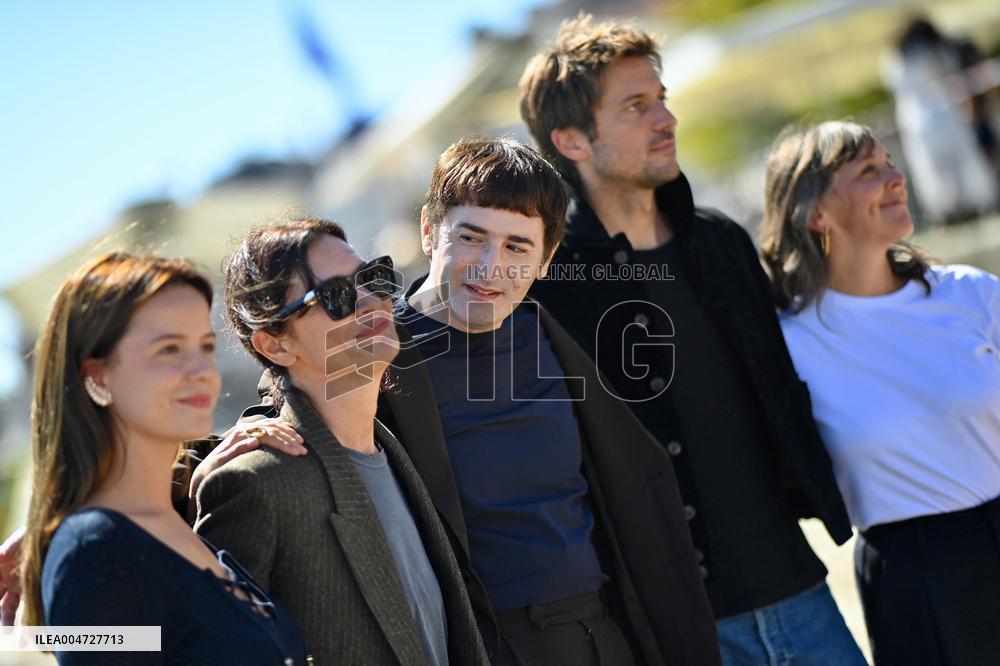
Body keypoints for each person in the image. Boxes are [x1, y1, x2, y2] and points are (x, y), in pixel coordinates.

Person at [251, 138, 720, 665]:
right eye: (471, 238)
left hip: (608, 632)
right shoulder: (380, 343)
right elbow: (300, 389)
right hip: (486, 645)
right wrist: (241, 437)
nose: (490, 266)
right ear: (429, 231)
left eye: (518, 247)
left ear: (546, 259)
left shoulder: (549, 335)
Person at [519, 15, 865, 665]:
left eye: (662, 98)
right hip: (677, 630)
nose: (666, 119)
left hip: (797, 589)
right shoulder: (546, 285)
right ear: (571, 140)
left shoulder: (722, 243)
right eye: (636, 106)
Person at [196, 219, 489, 665]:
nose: (371, 302)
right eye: (336, 295)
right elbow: (196, 646)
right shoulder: (256, 484)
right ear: (275, 346)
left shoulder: (393, 449)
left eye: (371, 278)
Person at [761, 120, 1000, 666]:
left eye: (890, 163)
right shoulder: (787, 344)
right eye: (869, 171)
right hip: (918, 582)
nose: (896, 178)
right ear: (816, 213)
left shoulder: (972, 295)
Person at [18, 252, 308, 664]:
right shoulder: (94, 553)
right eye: (169, 349)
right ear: (97, 377)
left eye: (205, 347)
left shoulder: (176, 528)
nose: (203, 370)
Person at [883, 17, 998, 223]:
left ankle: (947, 209)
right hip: (945, 114)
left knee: (935, 168)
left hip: (920, 121)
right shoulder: (938, 53)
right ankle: (971, 203)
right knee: (960, 161)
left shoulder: (897, 61)